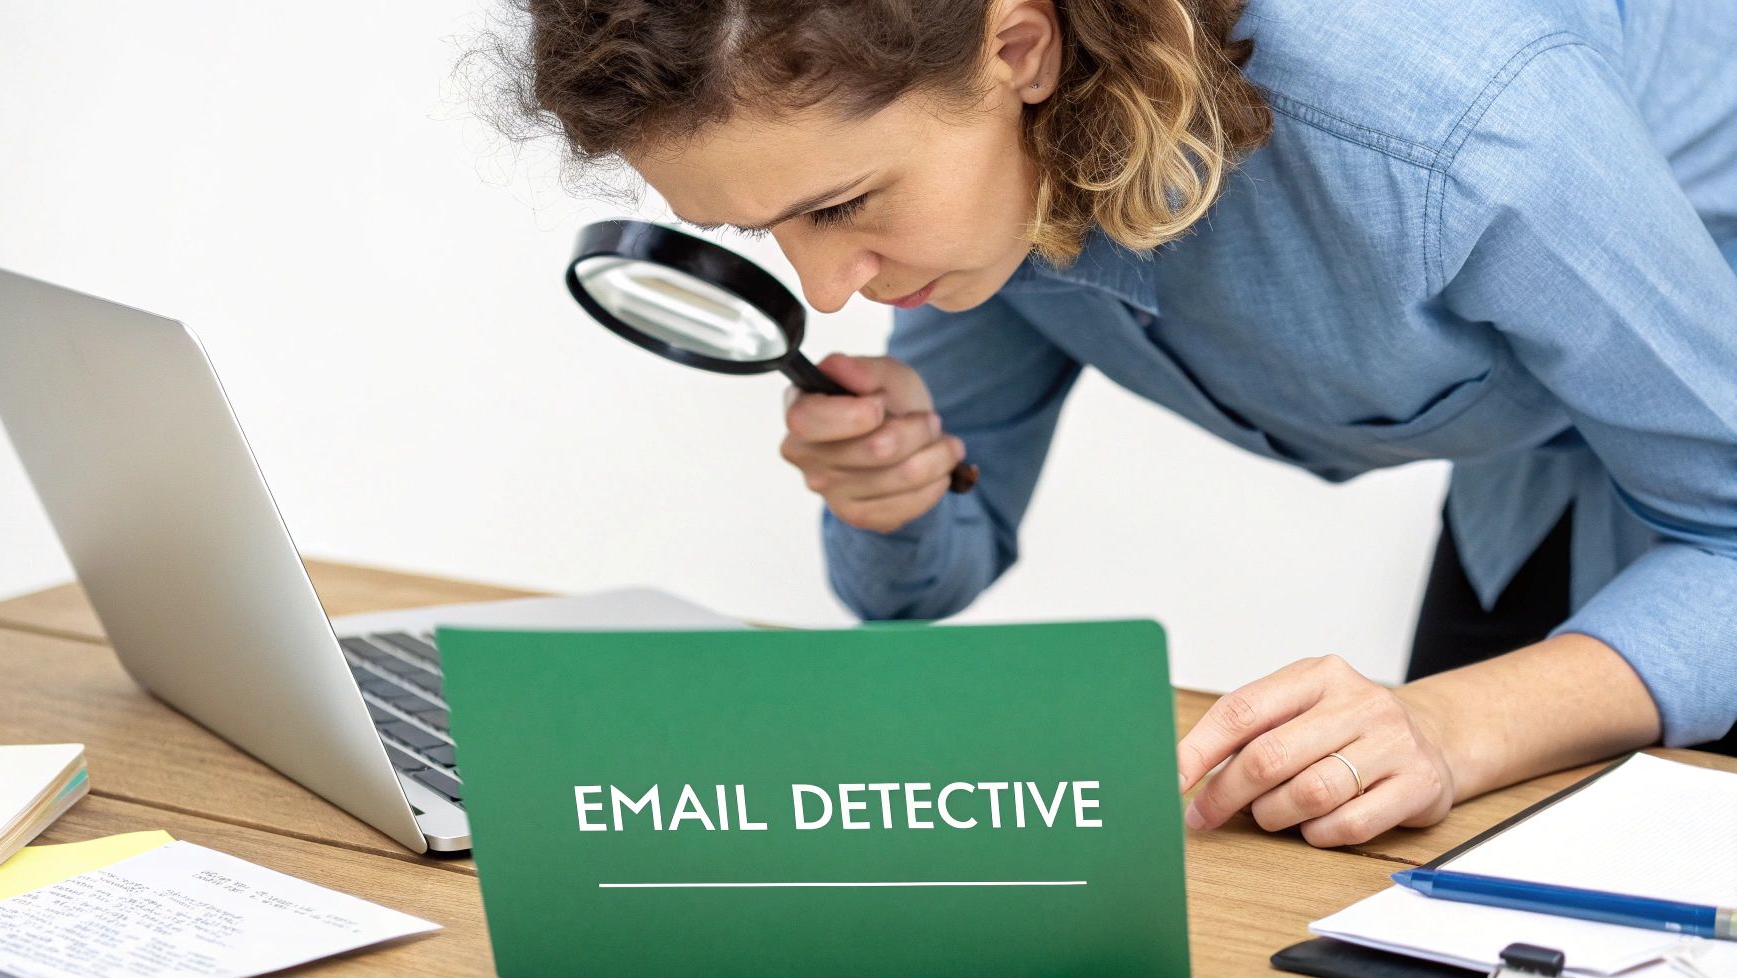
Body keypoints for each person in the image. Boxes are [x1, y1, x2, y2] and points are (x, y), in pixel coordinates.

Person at [473, 0, 1737, 846]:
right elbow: (926, 585)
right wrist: (901, 490)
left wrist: (1454, 722)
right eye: (769, 230)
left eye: (847, 202)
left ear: (1015, 52)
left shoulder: (1454, 129)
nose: (826, 288)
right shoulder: (982, 209)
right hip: (1547, 482)